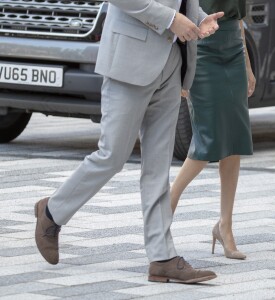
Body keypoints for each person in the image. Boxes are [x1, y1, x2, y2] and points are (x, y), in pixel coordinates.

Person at [34, 0, 224, 284]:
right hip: (129, 58)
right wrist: (171, 19)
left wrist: (199, 18)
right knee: (112, 155)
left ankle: (162, 257)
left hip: (173, 63)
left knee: (158, 167)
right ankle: (52, 210)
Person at [171, 0, 256, 260]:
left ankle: (225, 227)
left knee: (234, 139)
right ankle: (163, 210)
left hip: (234, 48)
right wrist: (181, 68)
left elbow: (239, 19)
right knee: (205, 142)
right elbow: (177, 12)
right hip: (201, 46)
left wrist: (248, 67)